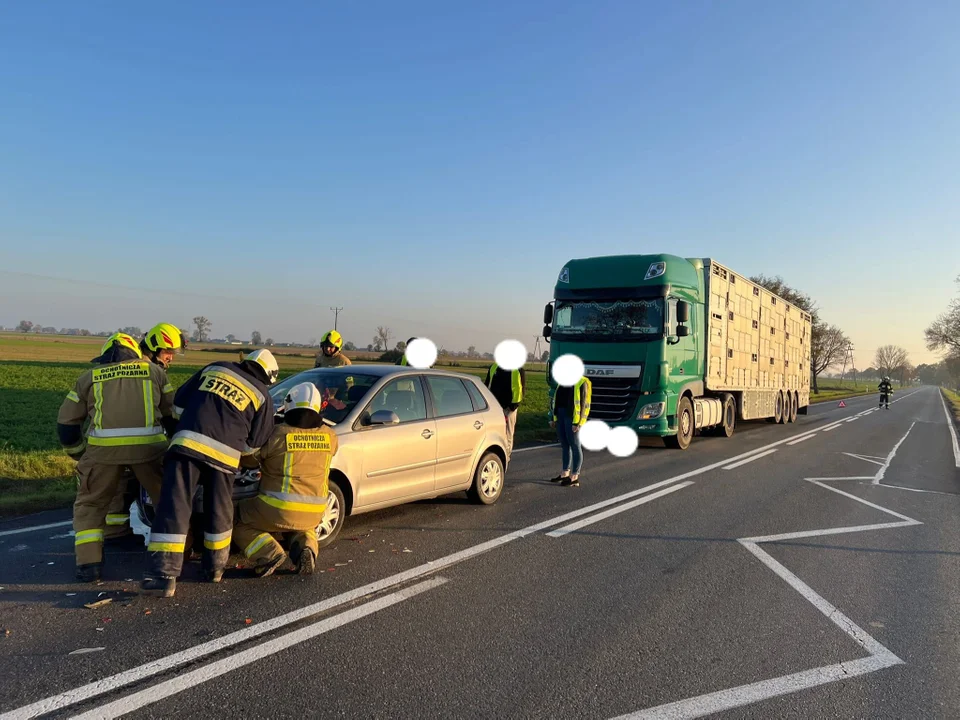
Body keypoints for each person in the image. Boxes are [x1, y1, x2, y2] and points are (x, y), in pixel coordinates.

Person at [142, 349, 278, 598]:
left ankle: (165, 577)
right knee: (220, 508)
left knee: (175, 506)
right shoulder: (262, 394)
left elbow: (179, 403)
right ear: (269, 376)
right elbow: (255, 442)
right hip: (224, 457)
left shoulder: (216, 367)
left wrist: (193, 424)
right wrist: (234, 445)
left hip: (187, 445)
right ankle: (214, 569)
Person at [57, 333, 175, 582]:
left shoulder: (89, 378)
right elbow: (171, 415)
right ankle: (172, 559)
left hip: (102, 453)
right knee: (167, 502)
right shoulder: (155, 373)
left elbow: (67, 424)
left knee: (90, 504)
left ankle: (89, 565)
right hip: (150, 452)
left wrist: (80, 455)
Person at [233, 382, 338, 577]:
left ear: (288, 405)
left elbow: (249, 459)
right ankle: (307, 549)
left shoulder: (277, 434)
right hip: (316, 511)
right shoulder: (330, 436)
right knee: (303, 528)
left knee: (236, 518)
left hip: (277, 509)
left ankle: (269, 553)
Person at [104, 324, 188, 541]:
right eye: (169, 352)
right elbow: (168, 411)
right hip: (145, 444)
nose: (171, 358)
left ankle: (115, 534)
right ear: (155, 347)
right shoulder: (152, 371)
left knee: (118, 488)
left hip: (109, 440)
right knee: (160, 488)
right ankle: (170, 537)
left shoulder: (125, 362)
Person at [548, 376, 592, 487]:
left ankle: (574, 476)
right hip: (560, 416)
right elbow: (556, 401)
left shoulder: (582, 382)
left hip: (572, 418)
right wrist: (553, 418)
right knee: (565, 445)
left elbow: (584, 404)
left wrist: (579, 423)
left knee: (575, 445)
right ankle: (564, 473)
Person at [484, 362, 526, 462]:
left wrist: (513, 406)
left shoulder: (517, 369)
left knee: (508, 434)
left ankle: (506, 458)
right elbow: (487, 385)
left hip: (509, 409)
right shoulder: (494, 367)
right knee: (493, 433)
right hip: (494, 407)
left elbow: (520, 389)